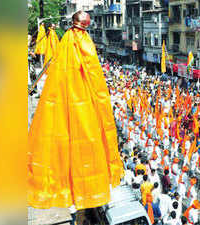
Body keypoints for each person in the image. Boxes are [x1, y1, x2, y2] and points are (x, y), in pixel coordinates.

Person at [28, 10, 124, 209]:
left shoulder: (68, 44)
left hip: (69, 101)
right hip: (81, 105)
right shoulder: (81, 44)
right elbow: (96, 79)